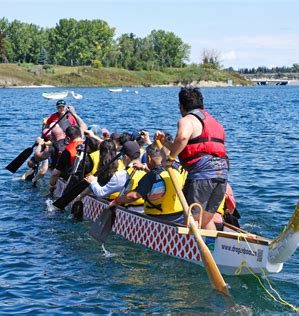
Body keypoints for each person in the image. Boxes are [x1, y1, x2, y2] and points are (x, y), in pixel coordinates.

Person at [156, 87, 229, 231]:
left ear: (181, 106)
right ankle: (214, 249)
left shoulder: (187, 119)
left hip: (202, 176)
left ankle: (191, 251)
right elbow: (193, 147)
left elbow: (182, 137)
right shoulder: (215, 122)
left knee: (192, 218)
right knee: (205, 220)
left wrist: (170, 159)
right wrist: (165, 143)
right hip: (222, 175)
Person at [110, 144, 185, 223]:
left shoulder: (150, 177)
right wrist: (143, 167)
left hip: (158, 220)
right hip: (180, 217)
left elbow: (134, 195)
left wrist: (117, 201)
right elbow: (160, 178)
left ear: (149, 158)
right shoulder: (176, 170)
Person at [82, 140, 146, 212]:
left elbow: (101, 193)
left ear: (125, 157)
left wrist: (93, 181)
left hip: (128, 213)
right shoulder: (146, 169)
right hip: (145, 209)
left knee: (90, 186)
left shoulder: (121, 175)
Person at [49, 126, 85, 193]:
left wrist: (52, 185)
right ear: (80, 135)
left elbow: (55, 174)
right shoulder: (90, 145)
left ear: (68, 138)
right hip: (89, 180)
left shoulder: (67, 152)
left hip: (73, 182)